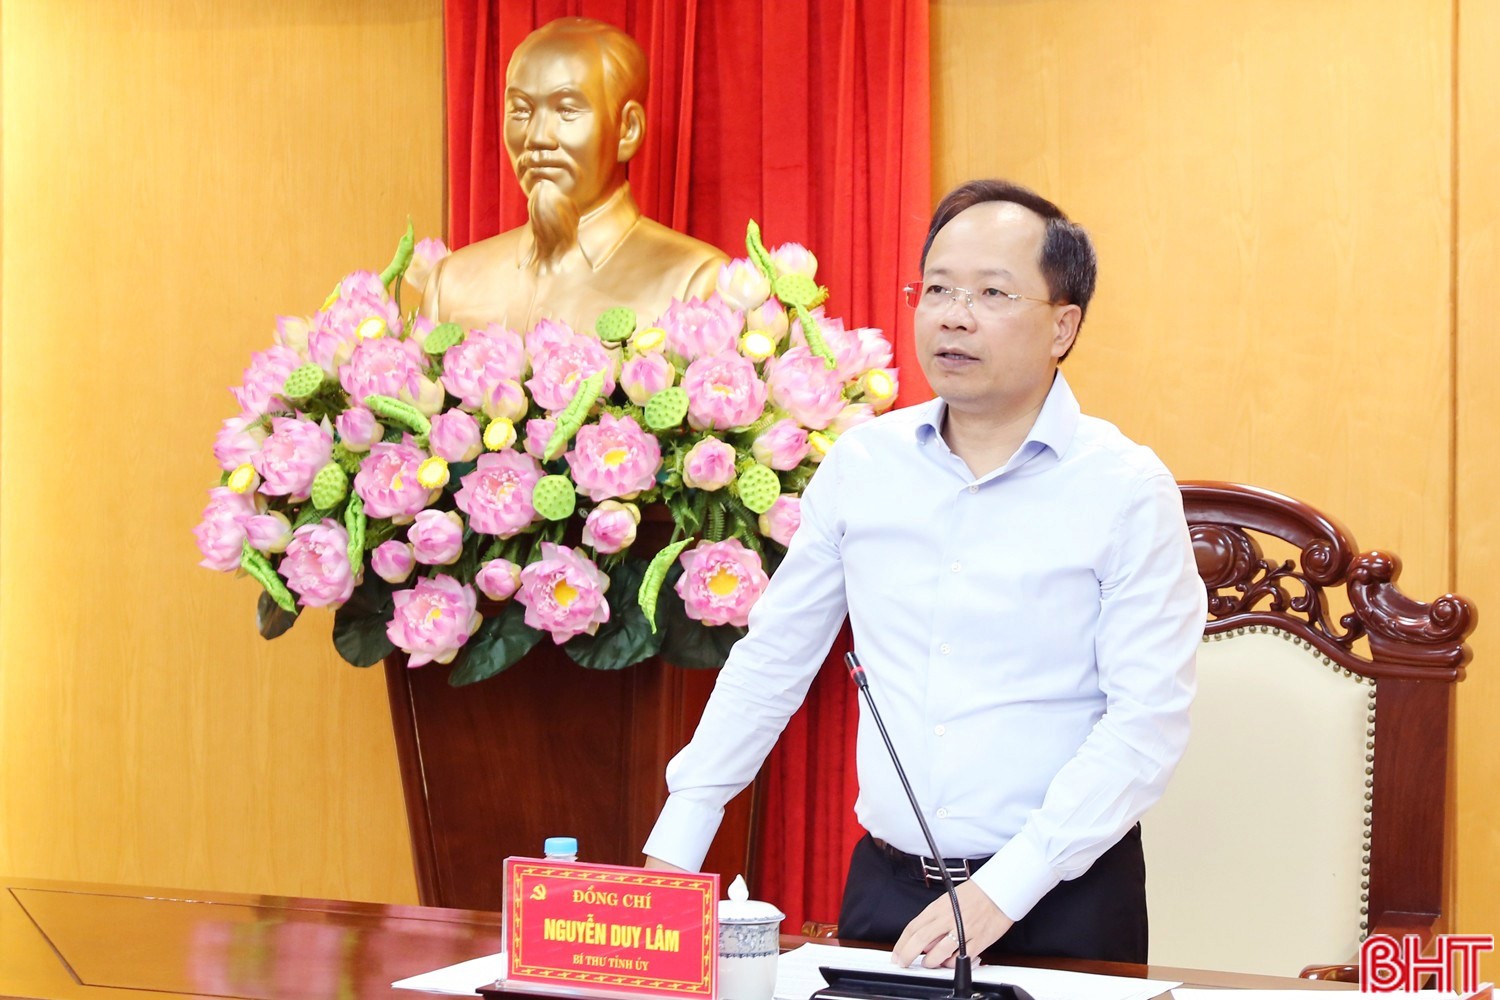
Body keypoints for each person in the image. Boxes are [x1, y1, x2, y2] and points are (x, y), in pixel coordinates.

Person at [642, 179, 1206, 966]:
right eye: (936, 289)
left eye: (992, 293)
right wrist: (678, 841)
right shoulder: (863, 465)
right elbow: (772, 660)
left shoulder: (1125, 488)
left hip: (1061, 897)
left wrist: (1006, 887)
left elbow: (1146, 721)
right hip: (889, 892)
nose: (953, 316)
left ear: (1063, 325)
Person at [420, 18, 726, 332]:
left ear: (627, 129)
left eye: (566, 110)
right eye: (521, 110)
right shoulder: (451, 284)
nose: (537, 137)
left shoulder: (693, 283)